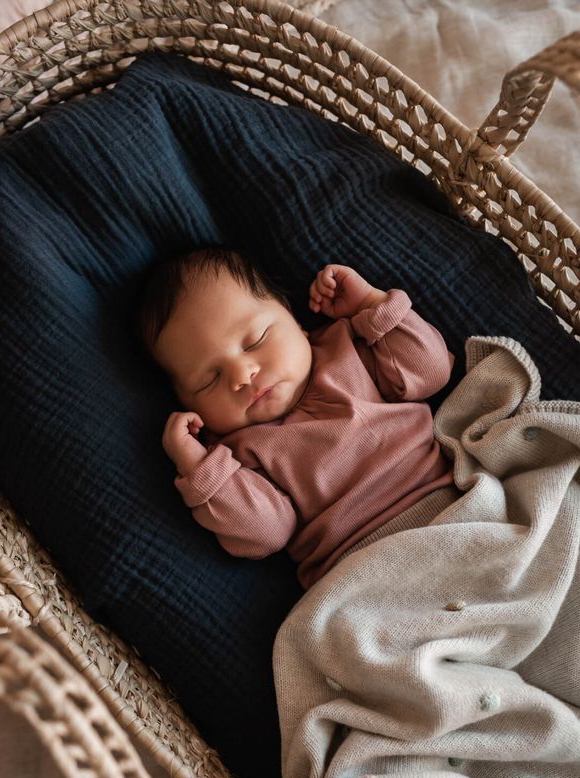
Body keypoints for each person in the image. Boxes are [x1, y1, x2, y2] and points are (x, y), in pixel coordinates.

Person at [137, 246, 457, 589]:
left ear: (294, 320)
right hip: (361, 574)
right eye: (209, 379)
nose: (242, 375)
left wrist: (371, 305)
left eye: (255, 340)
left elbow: (430, 372)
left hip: (449, 511)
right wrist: (201, 470)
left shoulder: (347, 349)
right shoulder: (237, 456)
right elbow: (265, 533)